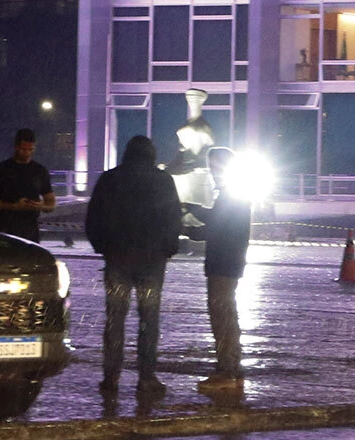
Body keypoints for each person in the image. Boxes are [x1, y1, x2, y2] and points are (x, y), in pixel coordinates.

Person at [85, 136, 183, 397]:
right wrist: (168, 248)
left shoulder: (110, 179)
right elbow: (174, 218)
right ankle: (146, 377)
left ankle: (111, 376)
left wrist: (103, 246)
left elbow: (93, 217)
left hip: (118, 258)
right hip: (152, 261)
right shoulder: (163, 180)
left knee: (115, 319)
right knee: (149, 321)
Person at [196, 147, 250, 395]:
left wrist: (188, 221)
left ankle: (226, 371)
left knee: (222, 315)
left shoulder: (231, 196)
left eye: (215, 167)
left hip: (223, 263)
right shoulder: (234, 194)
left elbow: (216, 227)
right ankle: (233, 369)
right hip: (229, 263)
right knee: (227, 314)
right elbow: (217, 223)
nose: (212, 173)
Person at [0, 129, 55, 242]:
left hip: (30, 231)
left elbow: (51, 204)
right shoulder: (0, 170)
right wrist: (13, 206)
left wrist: (39, 206)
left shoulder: (40, 171)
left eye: (30, 149)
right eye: (23, 149)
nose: (27, 153)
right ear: (16, 147)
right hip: (4, 230)